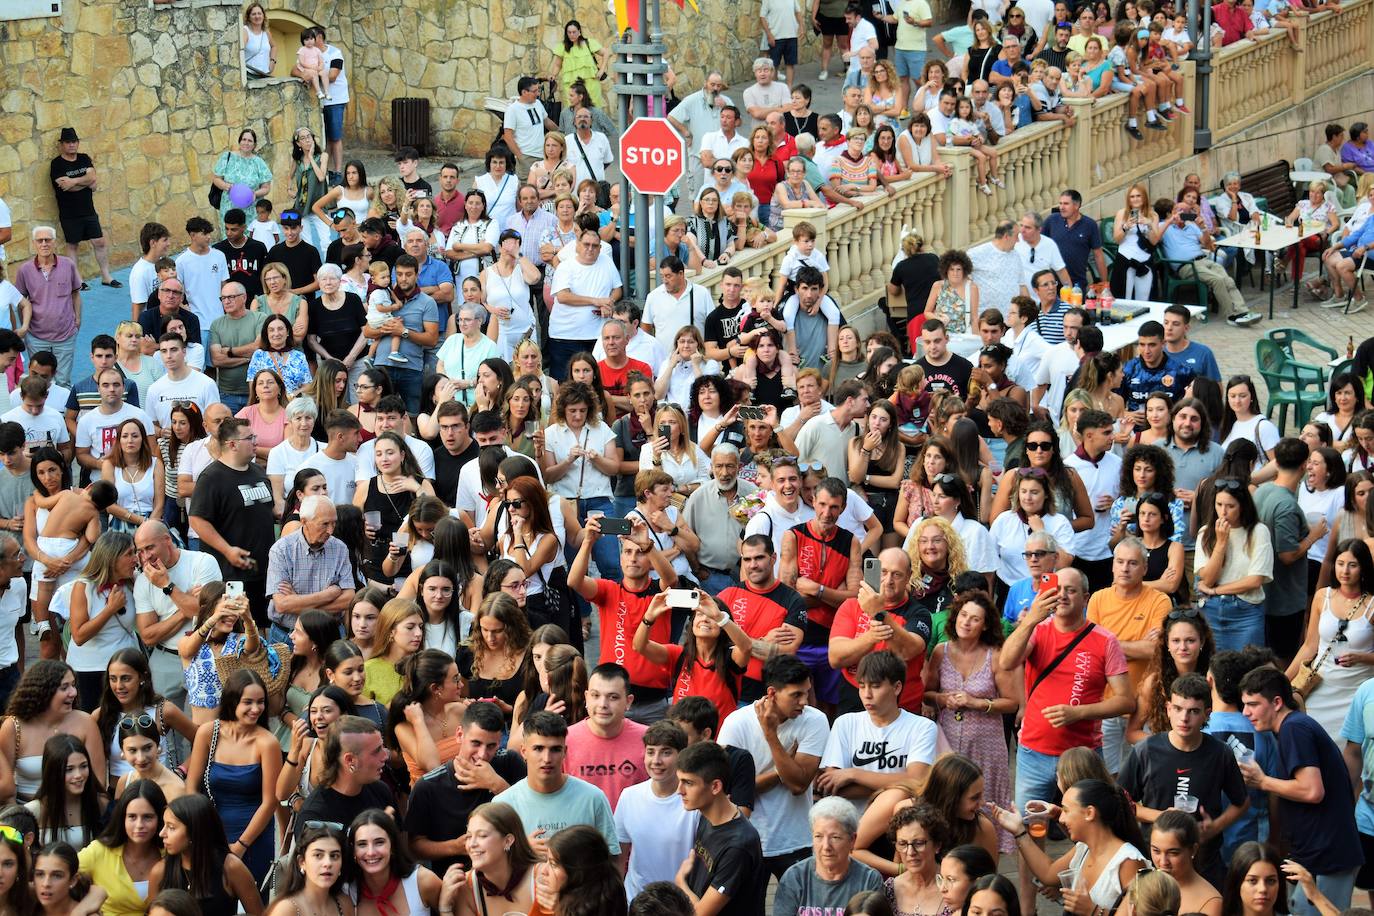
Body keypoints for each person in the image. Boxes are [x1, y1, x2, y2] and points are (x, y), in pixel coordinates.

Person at [1238, 667, 1364, 913]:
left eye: (1253, 704)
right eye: (1244, 705)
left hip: (1328, 857)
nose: (1246, 713)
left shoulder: (1294, 728)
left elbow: (1311, 790)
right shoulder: (1292, 727)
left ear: (1276, 702)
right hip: (1313, 854)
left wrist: (1262, 781)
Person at [1119, 672, 1250, 885]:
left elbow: (1242, 802)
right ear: (1168, 708)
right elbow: (1123, 804)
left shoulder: (1220, 753)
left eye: (1193, 711)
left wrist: (1213, 828)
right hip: (1157, 862)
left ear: (1207, 714)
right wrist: (1160, 816)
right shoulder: (1146, 750)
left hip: (1204, 861)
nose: (1184, 718)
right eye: (1178, 709)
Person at [183, 669, 280, 884]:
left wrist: (241, 846)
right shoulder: (208, 733)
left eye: (261, 702)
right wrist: (200, 830)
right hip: (211, 833)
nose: (256, 709)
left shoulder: (267, 742)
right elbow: (191, 788)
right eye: (248, 702)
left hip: (254, 836)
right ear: (232, 700)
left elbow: (269, 802)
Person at [493, 710, 620, 855]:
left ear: (565, 752)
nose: (547, 758)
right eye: (538, 749)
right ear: (524, 751)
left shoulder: (593, 798)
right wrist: (522, 850)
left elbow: (612, 859)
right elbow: (492, 864)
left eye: (555, 749)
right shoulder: (502, 805)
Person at [149, 793, 263, 916]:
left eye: (171, 827)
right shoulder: (160, 871)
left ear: (194, 831)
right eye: (164, 825)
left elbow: (259, 913)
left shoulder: (231, 867)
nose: (162, 833)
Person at [1195, 478, 1274, 653]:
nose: (1223, 512)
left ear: (1242, 506)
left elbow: (1255, 580)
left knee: (1248, 667)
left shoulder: (1258, 531)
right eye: (1219, 504)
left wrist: (1216, 590)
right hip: (1211, 610)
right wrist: (1221, 543)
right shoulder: (1205, 532)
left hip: (1246, 611)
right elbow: (1207, 579)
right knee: (1213, 667)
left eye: (1230, 506)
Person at [77, 780, 166, 916]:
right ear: (122, 818)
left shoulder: (169, 853)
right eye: (132, 817)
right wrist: (85, 906)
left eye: (147, 817)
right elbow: (63, 877)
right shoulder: (99, 850)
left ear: (160, 818)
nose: (139, 825)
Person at [263, 823, 354, 916]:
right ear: (302, 862)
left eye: (334, 856)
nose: (327, 863)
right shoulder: (286, 910)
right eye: (318, 855)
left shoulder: (344, 904)